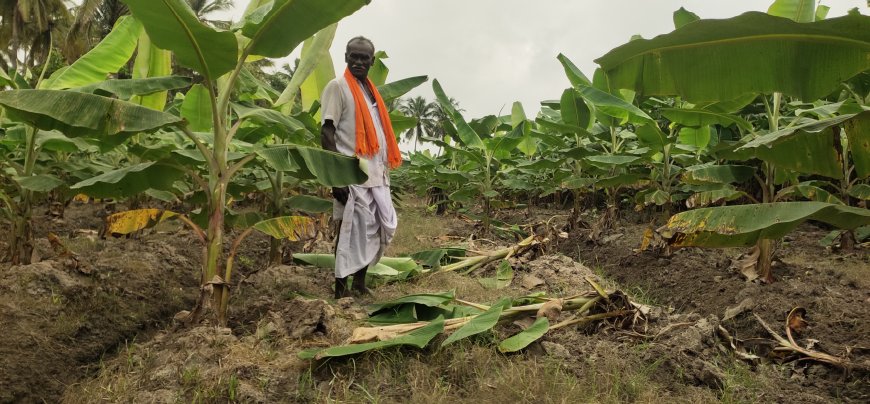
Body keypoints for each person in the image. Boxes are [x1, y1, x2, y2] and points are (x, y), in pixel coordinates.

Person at [320, 36, 402, 299]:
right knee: (350, 232)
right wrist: (336, 178)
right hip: (351, 174)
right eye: (353, 56)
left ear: (371, 61)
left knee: (380, 227)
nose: (357, 61)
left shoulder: (370, 91)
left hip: (376, 175)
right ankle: (341, 290)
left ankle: (360, 283)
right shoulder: (338, 87)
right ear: (345, 57)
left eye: (363, 57)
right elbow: (327, 132)